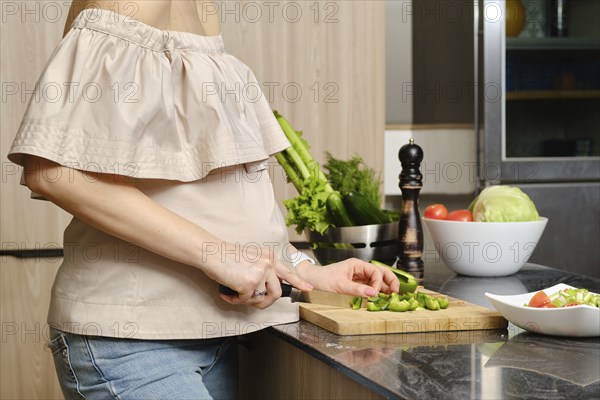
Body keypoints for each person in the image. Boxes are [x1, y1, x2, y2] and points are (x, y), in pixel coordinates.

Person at [7, 1, 399, 399]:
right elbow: (55, 171)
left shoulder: (202, 10)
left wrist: (304, 271)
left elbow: (206, 199)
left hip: (214, 335)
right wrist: (218, 255)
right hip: (135, 345)